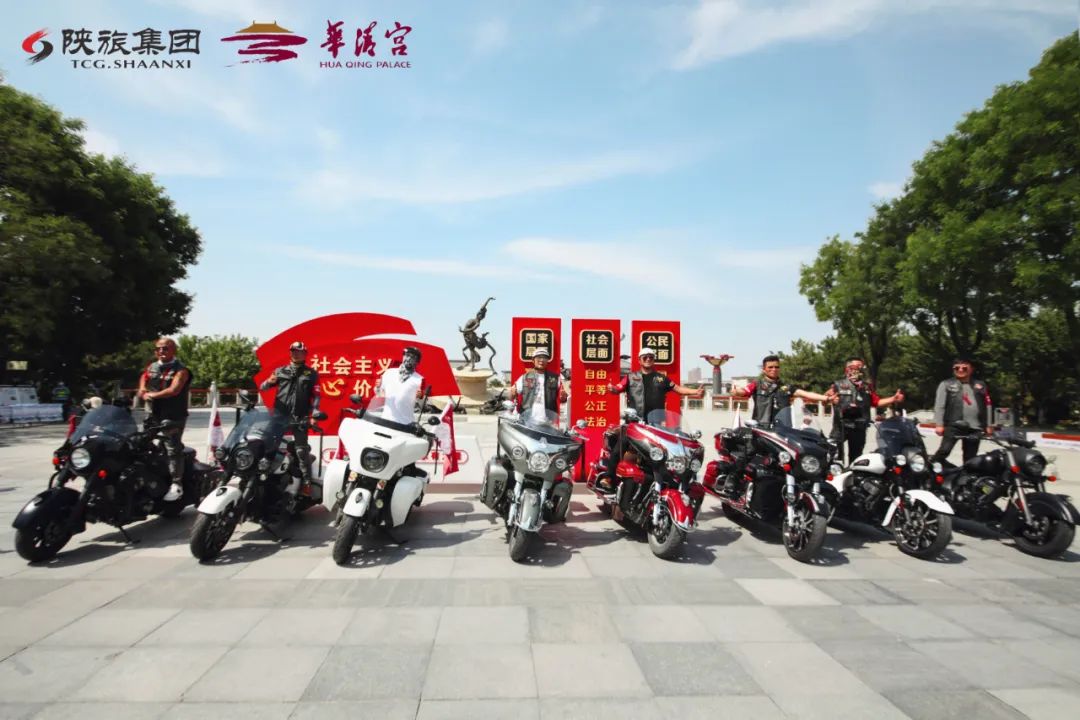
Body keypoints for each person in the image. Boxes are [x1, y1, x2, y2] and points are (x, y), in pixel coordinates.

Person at [597, 347, 704, 490]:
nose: (648, 359)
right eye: (645, 357)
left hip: (655, 425)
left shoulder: (661, 378)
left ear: (654, 360)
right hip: (634, 424)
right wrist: (613, 389)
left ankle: (667, 483)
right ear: (639, 360)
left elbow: (678, 389)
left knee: (664, 453)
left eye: (651, 357)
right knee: (618, 450)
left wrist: (695, 391)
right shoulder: (630, 377)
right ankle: (609, 477)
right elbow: (618, 388)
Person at [260, 341, 321, 490]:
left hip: (300, 417)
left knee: (301, 450)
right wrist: (268, 382)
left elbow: (317, 396)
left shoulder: (311, 374)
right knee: (270, 444)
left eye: (299, 351)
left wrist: (314, 415)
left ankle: (306, 481)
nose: (296, 354)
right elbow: (263, 387)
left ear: (305, 354)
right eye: (293, 351)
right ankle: (264, 474)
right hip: (279, 416)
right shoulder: (280, 371)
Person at [138, 337, 192, 501]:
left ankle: (176, 484)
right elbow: (144, 377)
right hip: (152, 414)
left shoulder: (181, 370)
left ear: (173, 350)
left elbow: (174, 389)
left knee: (172, 447)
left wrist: (152, 395)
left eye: (165, 348)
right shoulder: (152, 366)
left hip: (172, 415)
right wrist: (142, 390)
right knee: (142, 443)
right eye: (158, 348)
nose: (161, 351)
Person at [828, 356, 904, 463]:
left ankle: (853, 473)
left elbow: (876, 402)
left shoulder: (867, 387)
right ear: (847, 369)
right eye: (856, 366)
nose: (859, 369)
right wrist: (829, 398)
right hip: (840, 427)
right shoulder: (838, 384)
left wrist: (893, 399)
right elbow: (825, 399)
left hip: (859, 427)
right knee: (834, 456)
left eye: (861, 367)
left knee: (856, 458)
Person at [729, 354, 833, 427]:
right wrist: (736, 391)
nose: (774, 369)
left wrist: (826, 398)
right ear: (764, 369)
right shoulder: (757, 384)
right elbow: (744, 391)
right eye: (770, 367)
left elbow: (805, 394)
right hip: (761, 428)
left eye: (776, 367)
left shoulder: (786, 387)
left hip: (783, 428)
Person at [931, 356, 992, 464]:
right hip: (953, 424)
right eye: (957, 368)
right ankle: (930, 467)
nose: (960, 370)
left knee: (970, 457)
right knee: (944, 450)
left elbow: (987, 405)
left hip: (975, 426)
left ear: (971, 369)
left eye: (964, 368)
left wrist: (988, 425)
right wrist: (939, 424)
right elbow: (939, 405)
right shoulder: (946, 384)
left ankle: (966, 474)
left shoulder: (980, 385)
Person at [508, 347, 567, 424]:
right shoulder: (524, 377)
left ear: (547, 361)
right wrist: (512, 393)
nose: (541, 360)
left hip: (548, 422)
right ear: (533, 360)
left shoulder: (555, 378)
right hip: (527, 420)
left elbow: (563, 399)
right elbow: (511, 396)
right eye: (539, 357)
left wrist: (564, 397)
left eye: (544, 358)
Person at [374, 346, 425, 425]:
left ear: (417, 361)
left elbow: (422, 405)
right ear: (403, 356)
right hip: (386, 421)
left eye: (413, 357)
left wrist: (420, 397)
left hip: (406, 424)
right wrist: (377, 388)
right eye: (407, 355)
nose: (409, 359)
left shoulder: (420, 379)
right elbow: (379, 394)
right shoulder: (389, 373)